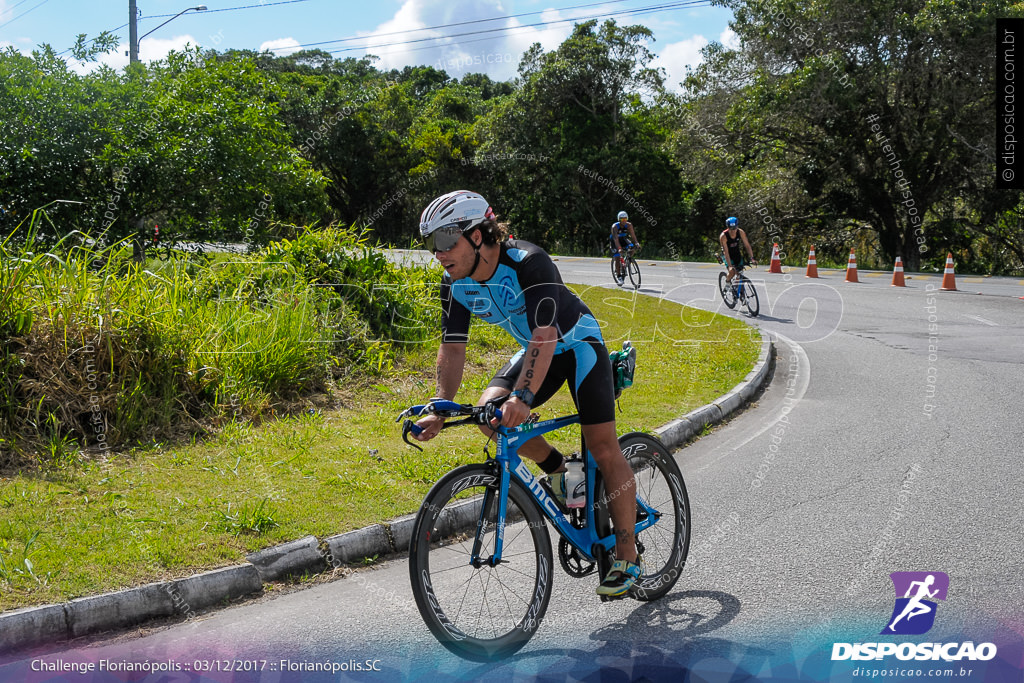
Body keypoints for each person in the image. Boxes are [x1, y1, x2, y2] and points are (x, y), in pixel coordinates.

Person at [414, 190, 641, 598]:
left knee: (603, 447)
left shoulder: (529, 262)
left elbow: (545, 334)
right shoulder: (455, 283)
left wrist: (523, 397)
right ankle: (562, 474)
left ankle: (627, 555)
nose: (438, 253)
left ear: (478, 234)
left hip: (577, 346)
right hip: (538, 351)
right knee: (490, 416)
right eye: (431, 243)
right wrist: (440, 407)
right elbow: (452, 345)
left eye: (446, 240)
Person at [719, 217, 756, 290]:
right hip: (727, 255)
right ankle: (727, 281)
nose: (733, 231)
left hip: (736, 253)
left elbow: (747, 245)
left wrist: (752, 258)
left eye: (734, 228)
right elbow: (726, 252)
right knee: (732, 271)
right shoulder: (723, 236)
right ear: (728, 227)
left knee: (740, 274)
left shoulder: (740, 232)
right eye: (731, 229)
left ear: (737, 226)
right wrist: (730, 266)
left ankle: (736, 290)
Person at [610, 211, 640, 279]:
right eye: (622, 219)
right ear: (619, 219)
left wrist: (637, 243)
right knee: (617, 257)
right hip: (615, 241)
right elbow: (616, 239)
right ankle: (619, 275)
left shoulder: (629, 225)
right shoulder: (615, 227)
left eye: (625, 219)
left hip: (623, 239)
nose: (624, 221)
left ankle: (628, 261)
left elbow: (633, 235)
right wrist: (620, 248)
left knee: (632, 247)